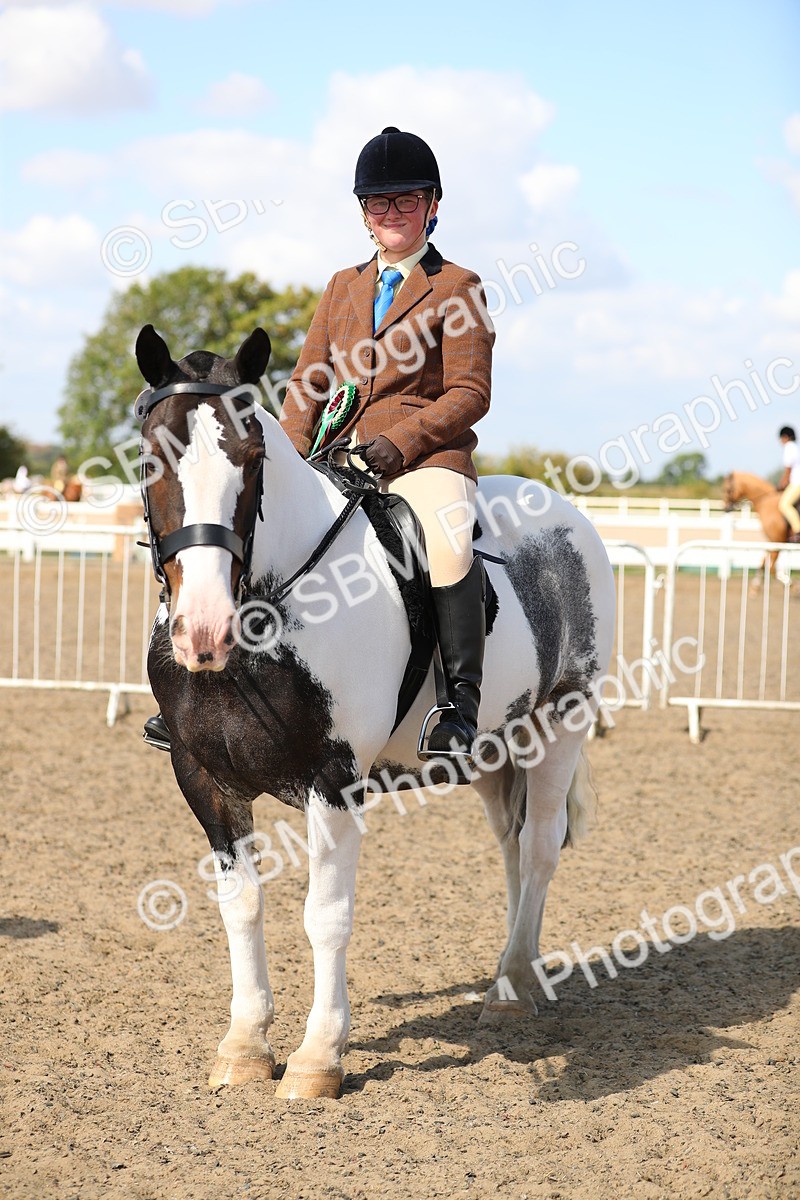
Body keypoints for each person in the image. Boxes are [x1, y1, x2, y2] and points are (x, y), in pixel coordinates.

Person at [279, 126, 494, 762]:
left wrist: (396, 446)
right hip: (335, 455)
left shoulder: (457, 286)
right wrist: (289, 461)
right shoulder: (341, 287)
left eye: (405, 201)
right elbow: (307, 384)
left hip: (424, 459)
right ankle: (213, 688)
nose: (391, 213)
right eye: (379, 203)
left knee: (449, 545)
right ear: (364, 213)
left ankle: (459, 704)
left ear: (432, 205)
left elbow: (469, 393)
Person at [778, 425, 800, 544]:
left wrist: (781, 483)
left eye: (781, 439)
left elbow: (788, 470)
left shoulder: (789, 447)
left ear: (785, 437)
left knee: (784, 504)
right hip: (796, 481)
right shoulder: (796, 447)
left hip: (797, 483)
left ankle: (798, 531)